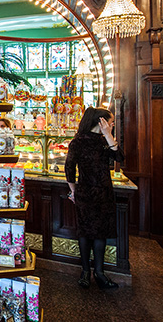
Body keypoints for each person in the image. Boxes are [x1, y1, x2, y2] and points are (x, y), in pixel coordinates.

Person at [65, 106, 123, 290]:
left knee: (100, 233)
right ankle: (85, 272)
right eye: (110, 122)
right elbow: (69, 168)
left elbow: (120, 157)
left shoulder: (104, 141)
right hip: (86, 192)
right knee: (85, 233)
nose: (112, 124)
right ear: (101, 121)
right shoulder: (78, 142)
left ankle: (99, 273)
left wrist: (108, 135)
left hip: (104, 193)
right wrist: (73, 190)